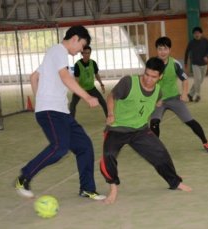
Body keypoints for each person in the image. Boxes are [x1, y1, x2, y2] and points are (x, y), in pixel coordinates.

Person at [15, 25, 105, 201]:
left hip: (60, 111)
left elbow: (34, 77)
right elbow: (65, 77)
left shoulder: (54, 54)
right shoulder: (58, 51)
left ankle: (87, 189)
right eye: (81, 46)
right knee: (59, 147)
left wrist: (39, 99)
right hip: (51, 111)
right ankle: (24, 177)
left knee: (84, 146)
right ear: (75, 39)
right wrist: (87, 96)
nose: (81, 51)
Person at [100, 57, 192, 205]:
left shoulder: (158, 92)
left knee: (161, 153)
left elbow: (155, 102)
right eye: (146, 74)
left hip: (140, 130)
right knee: (108, 155)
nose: (149, 79)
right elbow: (111, 96)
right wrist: (110, 113)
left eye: (153, 77)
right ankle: (113, 188)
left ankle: (175, 182)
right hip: (117, 128)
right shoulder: (128, 82)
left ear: (160, 77)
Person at [150, 36, 208, 153]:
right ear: (156, 50)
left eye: (165, 49)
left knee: (190, 121)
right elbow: (147, 83)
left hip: (174, 98)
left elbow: (184, 80)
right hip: (158, 100)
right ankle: (155, 149)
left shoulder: (175, 64)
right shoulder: (152, 64)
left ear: (169, 50)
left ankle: (205, 141)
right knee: (154, 123)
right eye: (160, 49)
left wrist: (184, 94)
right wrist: (154, 99)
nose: (162, 52)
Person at [69, 45, 108, 118]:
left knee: (102, 101)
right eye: (85, 53)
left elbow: (96, 74)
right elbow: (76, 79)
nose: (87, 55)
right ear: (82, 54)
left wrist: (101, 84)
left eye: (88, 53)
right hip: (80, 88)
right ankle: (71, 121)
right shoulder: (78, 65)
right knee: (73, 104)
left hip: (91, 88)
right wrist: (80, 90)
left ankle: (108, 117)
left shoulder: (93, 63)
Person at [184, 26, 208, 102]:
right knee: (198, 79)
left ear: (201, 33)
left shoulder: (205, 41)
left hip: (204, 64)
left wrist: (207, 56)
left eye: (198, 33)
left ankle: (190, 94)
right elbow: (186, 52)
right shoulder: (191, 43)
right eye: (195, 33)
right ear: (193, 34)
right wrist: (185, 63)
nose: (197, 34)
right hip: (195, 64)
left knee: (199, 81)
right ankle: (197, 95)